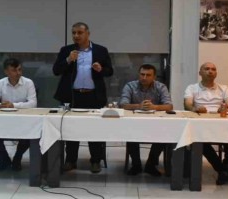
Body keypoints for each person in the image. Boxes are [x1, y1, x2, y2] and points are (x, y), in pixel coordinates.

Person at [53, 22, 113, 173]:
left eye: (79, 33)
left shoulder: (100, 50)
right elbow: (56, 70)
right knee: (71, 129)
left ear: (88, 34)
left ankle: (96, 161)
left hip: (93, 96)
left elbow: (110, 71)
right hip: (73, 96)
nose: (76, 36)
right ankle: (70, 160)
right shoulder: (66, 50)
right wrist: (68, 60)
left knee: (94, 129)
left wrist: (101, 69)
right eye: (73, 33)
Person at [183, 62, 228, 185]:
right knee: (198, 139)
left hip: (220, 122)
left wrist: (226, 107)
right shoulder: (192, 88)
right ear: (200, 73)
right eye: (206, 69)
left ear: (216, 73)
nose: (210, 71)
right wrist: (195, 108)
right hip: (201, 123)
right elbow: (187, 104)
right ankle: (222, 169)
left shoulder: (224, 88)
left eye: (213, 69)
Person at [119, 64, 173, 176]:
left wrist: (154, 107)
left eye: (148, 75)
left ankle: (151, 165)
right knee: (130, 133)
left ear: (154, 77)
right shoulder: (130, 86)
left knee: (164, 135)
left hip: (156, 124)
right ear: (138, 74)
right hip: (134, 123)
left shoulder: (161, 87)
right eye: (142, 74)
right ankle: (136, 165)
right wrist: (138, 106)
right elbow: (122, 104)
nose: (144, 77)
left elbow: (169, 106)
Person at [0, 58, 37, 171]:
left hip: (24, 121)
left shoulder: (28, 83)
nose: (18, 73)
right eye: (14, 70)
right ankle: (4, 159)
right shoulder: (1, 83)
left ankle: (17, 158)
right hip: (4, 121)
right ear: (6, 72)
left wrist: (13, 105)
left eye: (19, 69)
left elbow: (33, 103)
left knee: (31, 133)